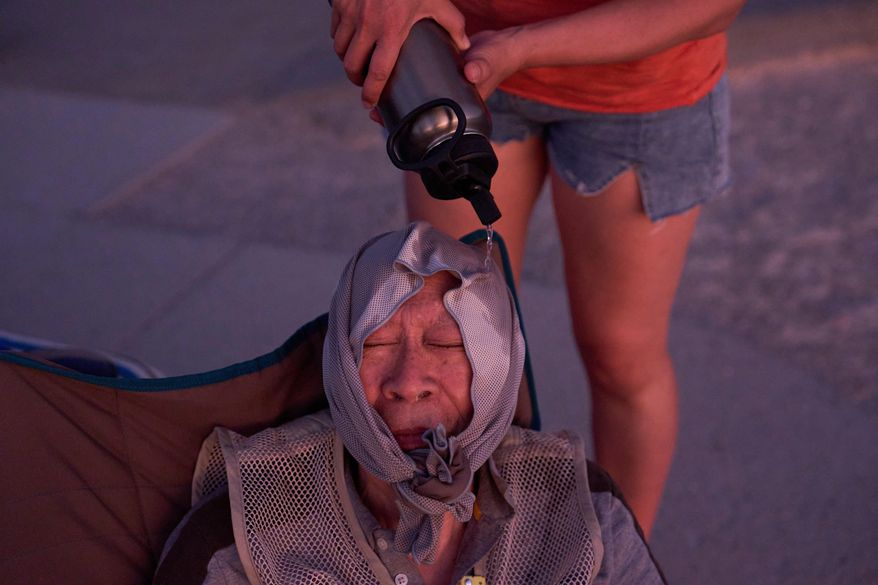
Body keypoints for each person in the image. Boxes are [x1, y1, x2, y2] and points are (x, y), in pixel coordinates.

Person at [329, 0, 746, 536]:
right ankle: (459, 547)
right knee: (453, 342)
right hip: (449, 57)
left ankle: (618, 559)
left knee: (619, 354)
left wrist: (522, 46)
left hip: (642, 79)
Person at [166, 222, 664, 584]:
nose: (407, 382)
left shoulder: (581, 508)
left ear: (496, 364)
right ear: (340, 361)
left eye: (446, 344)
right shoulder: (244, 534)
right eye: (376, 345)